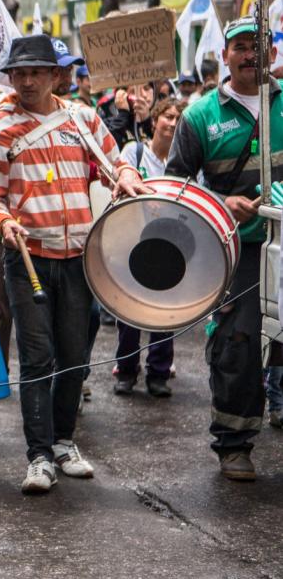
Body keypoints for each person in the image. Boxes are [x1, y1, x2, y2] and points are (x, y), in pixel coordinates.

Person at [0, 35, 147, 494]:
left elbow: (115, 165)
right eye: (20, 73)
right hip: (26, 259)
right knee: (36, 359)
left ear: (56, 76)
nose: (28, 80)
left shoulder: (84, 119)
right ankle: (38, 456)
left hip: (79, 261)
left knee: (74, 357)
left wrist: (127, 178)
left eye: (37, 72)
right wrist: (3, 221)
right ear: (9, 78)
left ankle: (65, 442)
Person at [167, 16, 281, 482]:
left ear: (272, 52)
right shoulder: (199, 116)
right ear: (225, 55)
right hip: (240, 251)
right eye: (240, 46)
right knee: (239, 343)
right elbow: (174, 184)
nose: (250, 53)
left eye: (259, 44)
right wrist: (220, 202)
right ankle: (234, 443)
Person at [112, 98, 184, 399]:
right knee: (129, 310)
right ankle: (127, 369)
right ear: (154, 121)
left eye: (179, 118)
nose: (173, 122)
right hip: (132, 241)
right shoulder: (134, 151)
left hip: (169, 243)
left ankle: (158, 371)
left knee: (163, 311)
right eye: (168, 116)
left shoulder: (185, 157)